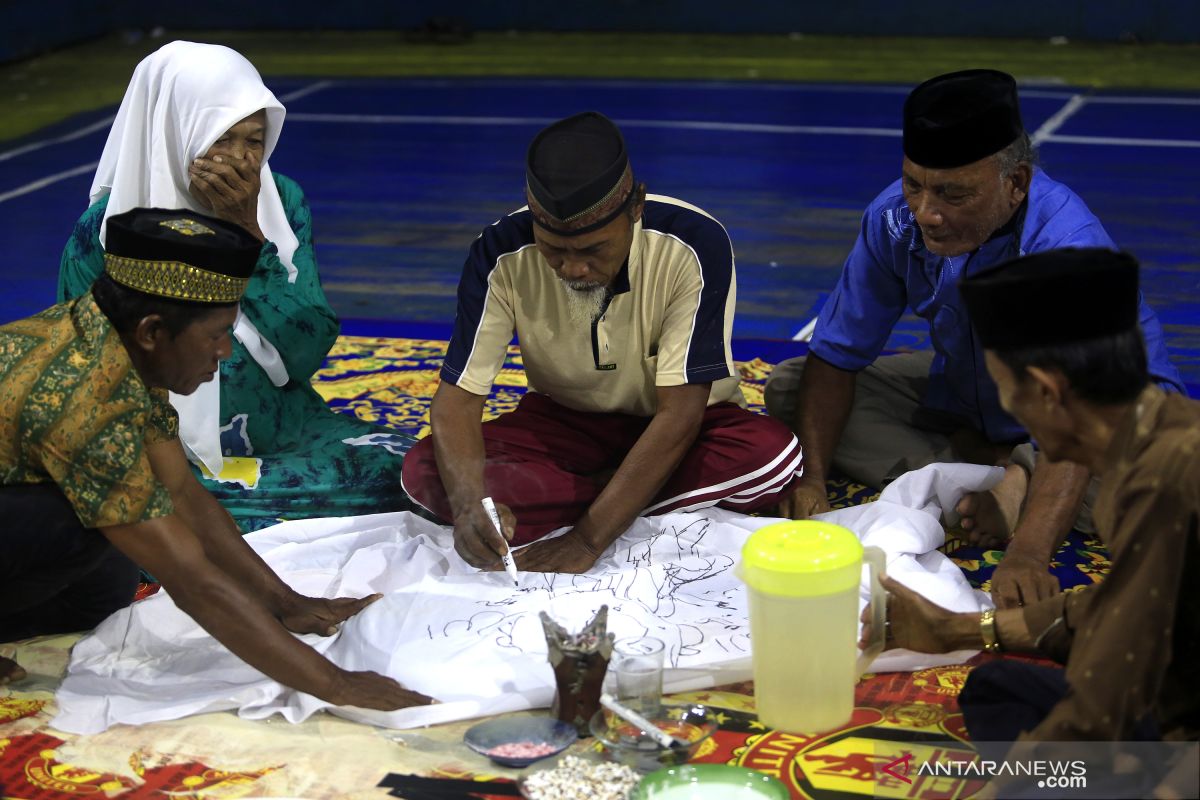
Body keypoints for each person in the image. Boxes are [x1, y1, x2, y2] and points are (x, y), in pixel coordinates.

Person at [763, 69, 1183, 608]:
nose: (926, 214)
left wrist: (1028, 555)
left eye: (953, 194)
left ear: (1017, 184)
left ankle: (1009, 479)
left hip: (1103, 420)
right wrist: (812, 479)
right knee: (791, 388)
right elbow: (836, 356)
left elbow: (1077, 414)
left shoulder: (1066, 248)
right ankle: (996, 478)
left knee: (1150, 491)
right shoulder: (894, 219)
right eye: (914, 185)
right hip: (974, 395)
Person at [0, 207, 429, 710]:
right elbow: (189, 579)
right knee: (77, 528)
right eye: (216, 334)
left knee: (106, 582)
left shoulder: (113, 341)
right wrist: (337, 685)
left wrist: (286, 604)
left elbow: (182, 492)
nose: (225, 351)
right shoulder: (83, 395)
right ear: (153, 332)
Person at [401, 112, 803, 574]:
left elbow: (681, 414)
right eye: (554, 250)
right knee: (424, 471)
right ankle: (625, 494)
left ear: (636, 206)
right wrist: (472, 504)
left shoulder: (694, 243)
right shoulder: (499, 251)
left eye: (592, 251)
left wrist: (588, 540)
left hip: (683, 429)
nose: (573, 269)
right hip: (566, 425)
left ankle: (591, 501)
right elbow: (457, 400)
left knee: (772, 457)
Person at [862, 249, 1197, 794]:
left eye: (1006, 389)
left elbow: (1109, 688)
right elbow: (1124, 611)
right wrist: (959, 631)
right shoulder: (1162, 432)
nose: (1009, 411)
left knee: (1036, 766)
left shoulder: (1162, 482)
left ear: (1045, 389)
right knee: (997, 690)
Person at [58, 40, 417, 532]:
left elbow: (306, 350)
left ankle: (215, 518)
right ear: (176, 130)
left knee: (415, 472)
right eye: (221, 139)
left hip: (288, 431)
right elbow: (87, 372)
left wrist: (247, 232)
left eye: (254, 141)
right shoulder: (106, 230)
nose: (242, 162)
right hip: (165, 452)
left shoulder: (280, 203)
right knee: (138, 501)